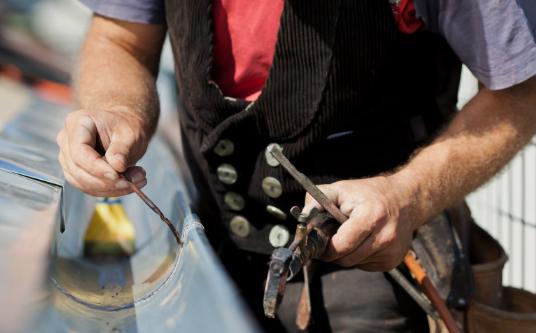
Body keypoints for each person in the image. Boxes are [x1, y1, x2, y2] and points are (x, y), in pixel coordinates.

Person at [56, 0, 536, 331]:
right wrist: (117, 110)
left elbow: (521, 93)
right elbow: (120, 41)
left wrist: (408, 196)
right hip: (210, 261)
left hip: (377, 287)